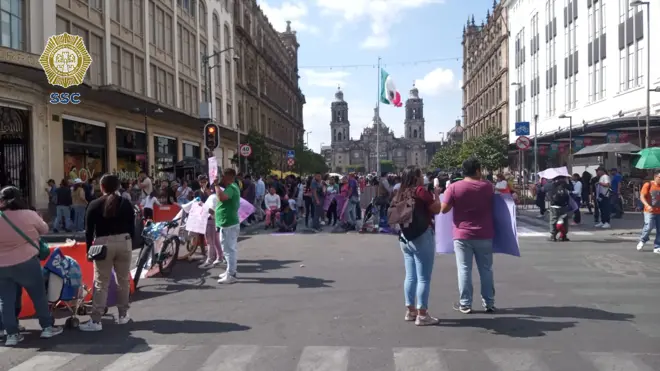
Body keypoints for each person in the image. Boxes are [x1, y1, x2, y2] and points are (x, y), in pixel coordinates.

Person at [0, 186, 63, 345]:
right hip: (28, 262)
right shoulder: (29, 214)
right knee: (38, 296)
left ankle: (12, 335)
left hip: (2, 266)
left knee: (5, 300)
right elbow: (44, 229)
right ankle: (47, 327)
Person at [80, 174, 135, 331]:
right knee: (123, 280)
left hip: (103, 244)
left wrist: (88, 250)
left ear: (102, 187)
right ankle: (123, 315)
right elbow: (132, 226)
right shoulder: (126, 203)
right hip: (124, 242)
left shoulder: (94, 204)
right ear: (118, 186)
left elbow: (89, 231)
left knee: (101, 282)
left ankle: (96, 320)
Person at [441, 157, 496, 314]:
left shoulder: (454, 188)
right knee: (486, 269)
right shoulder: (487, 186)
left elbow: (444, 209)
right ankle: (489, 303)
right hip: (485, 233)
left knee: (464, 269)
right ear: (477, 170)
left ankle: (465, 303)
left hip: (462, 234)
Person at [390, 168, 441, 326]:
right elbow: (437, 209)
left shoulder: (399, 192)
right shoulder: (420, 191)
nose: (422, 178)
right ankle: (423, 314)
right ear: (416, 177)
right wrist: (437, 194)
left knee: (410, 276)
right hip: (421, 235)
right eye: (420, 175)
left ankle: (410, 311)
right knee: (423, 277)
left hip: (405, 237)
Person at [215, 168, 241, 284]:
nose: (221, 178)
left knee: (229, 249)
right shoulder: (232, 187)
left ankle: (231, 274)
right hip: (227, 222)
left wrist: (216, 185)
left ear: (228, 177)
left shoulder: (231, 188)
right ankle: (229, 271)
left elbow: (222, 197)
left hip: (229, 223)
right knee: (226, 248)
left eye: (223, 176)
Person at [637, 170, 660, 253]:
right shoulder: (648, 184)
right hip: (649, 211)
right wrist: (647, 205)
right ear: (655, 177)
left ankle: (657, 246)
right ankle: (643, 240)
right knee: (649, 226)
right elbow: (642, 196)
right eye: (659, 178)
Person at [200, 189, 224, 268]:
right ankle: (220, 257)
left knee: (210, 242)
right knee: (216, 241)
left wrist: (202, 205)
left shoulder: (212, 198)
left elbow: (212, 211)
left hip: (211, 221)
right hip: (215, 221)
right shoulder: (216, 197)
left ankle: (210, 260)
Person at [544, 176, 573, 241]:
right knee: (565, 221)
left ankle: (553, 236)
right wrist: (568, 181)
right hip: (564, 206)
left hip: (554, 206)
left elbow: (544, 193)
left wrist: (547, 208)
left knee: (553, 220)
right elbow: (571, 189)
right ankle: (563, 236)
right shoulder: (565, 184)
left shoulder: (550, 185)